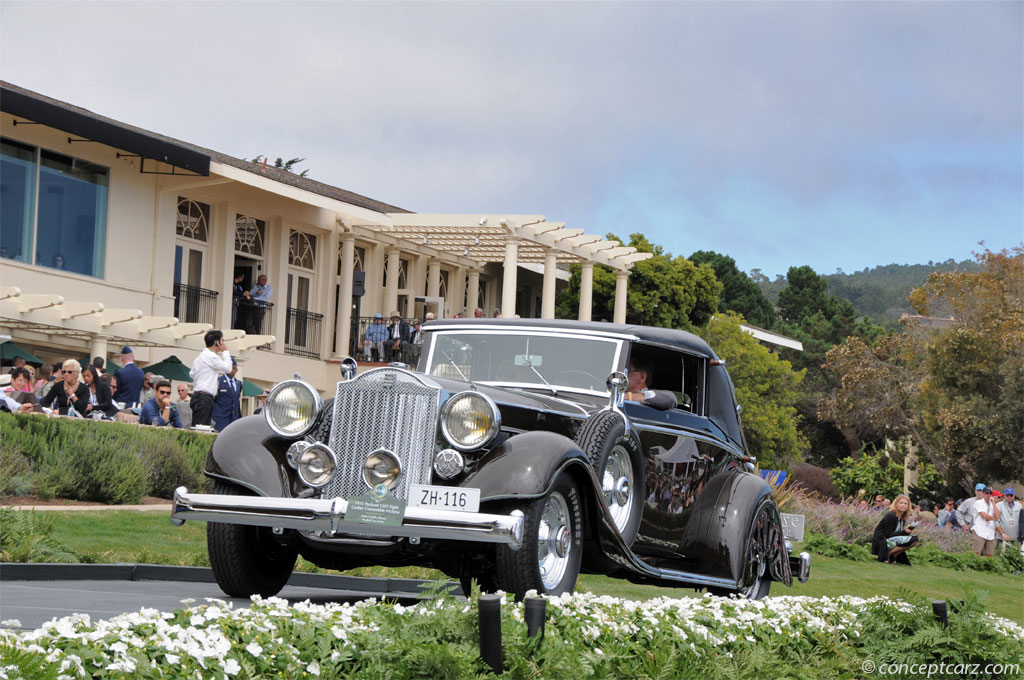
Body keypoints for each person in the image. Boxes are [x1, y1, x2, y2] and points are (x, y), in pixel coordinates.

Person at [190, 330, 232, 427]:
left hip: (199, 396)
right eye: (222, 341)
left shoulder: (200, 356)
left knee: (199, 427)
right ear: (217, 342)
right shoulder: (211, 357)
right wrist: (225, 351)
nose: (223, 343)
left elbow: (192, 373)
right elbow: (228, 368)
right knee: (201, 429)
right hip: (204, 397)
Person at [871, 494, 921, 564]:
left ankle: (894, 555)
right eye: (901, 503)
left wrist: (907, 531)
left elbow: (898, 533)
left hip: (891, 540)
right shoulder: (891, 515)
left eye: (905, 503)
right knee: (913, 539)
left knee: (915, 540)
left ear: (908, 506)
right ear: (896, 504)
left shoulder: (903, 517)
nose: (903, 505)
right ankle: (888, 554)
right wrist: (904, 532)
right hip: (881, 542)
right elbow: (888, 534)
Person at [212, 358, 243, 432]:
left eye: (234, 368)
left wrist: (238, 417)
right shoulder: (218, 381)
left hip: (234, 419)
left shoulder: (238, 383)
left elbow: (237, 401)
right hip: (220, 418)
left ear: (236, 370)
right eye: (230, 367)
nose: (232, 369)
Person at [971, 486, 1000, 557]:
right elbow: (984, 516)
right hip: (979, 531)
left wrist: (993, 503)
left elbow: (998, 515)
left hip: (990, 532)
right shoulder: (979, 502)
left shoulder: (992, 504)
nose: (988, 495)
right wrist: (994, 518)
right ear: (983, 493)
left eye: (990, 493)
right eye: (987, 493)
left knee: (990, 554)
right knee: (976, 553)